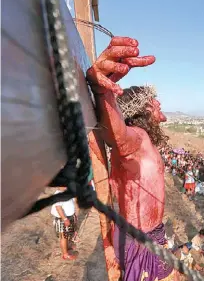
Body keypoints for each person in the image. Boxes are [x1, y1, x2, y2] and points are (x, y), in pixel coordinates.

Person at [86, 36, 178, 281]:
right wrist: (102, 90)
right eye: (151, 100)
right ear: (141, 109)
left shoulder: (139, 140)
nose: (158, 102)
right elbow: (117, 135)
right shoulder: (136, 138)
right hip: (141, 240)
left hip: (143, 235)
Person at [51, 186, 78, 260]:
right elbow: (58, 208)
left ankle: (68, 247)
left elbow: (73, 201)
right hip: (62, 219)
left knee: (68, 233)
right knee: (64, 237)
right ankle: (65, 254)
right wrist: (65, 219)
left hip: (69, 217)